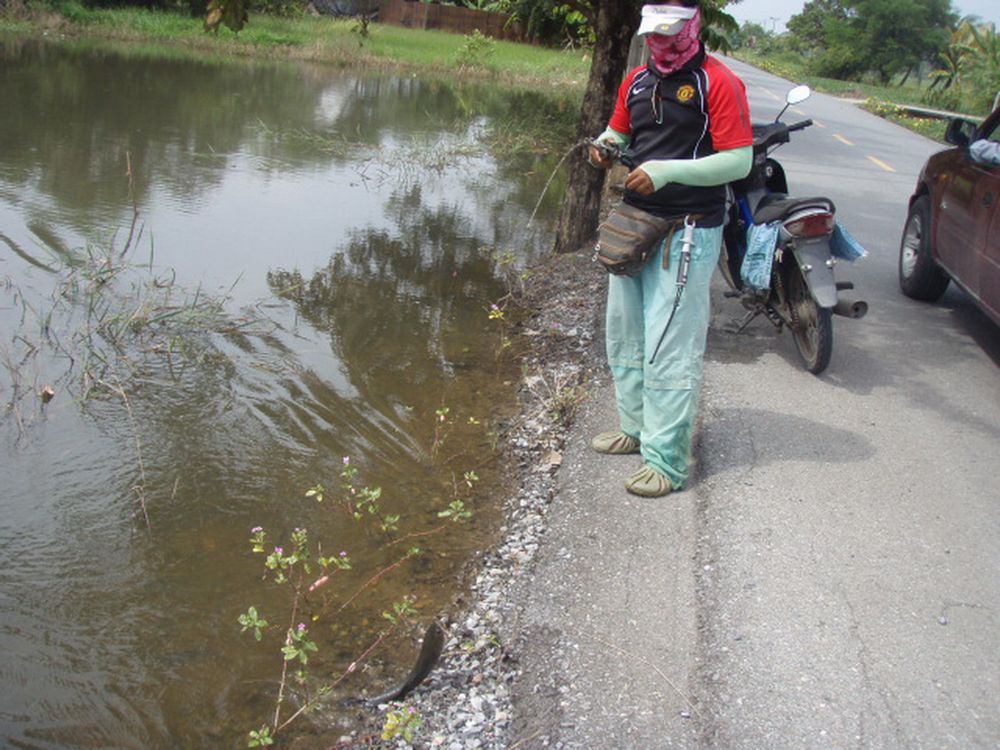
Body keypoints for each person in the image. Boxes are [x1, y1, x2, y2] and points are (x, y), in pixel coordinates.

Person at [588, 0, 753, 497]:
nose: (661, 42)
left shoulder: (718, 82)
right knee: (627, 333)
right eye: (653, 33)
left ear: (693, 26)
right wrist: (604, 145)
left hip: (689, 227)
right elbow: (621, 129)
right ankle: (635, 430)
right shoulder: (638, 80)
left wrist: (669, 169)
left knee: (668, 345)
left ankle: (667, 460)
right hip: (636, 221)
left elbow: (738, 161)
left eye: (670, 32)